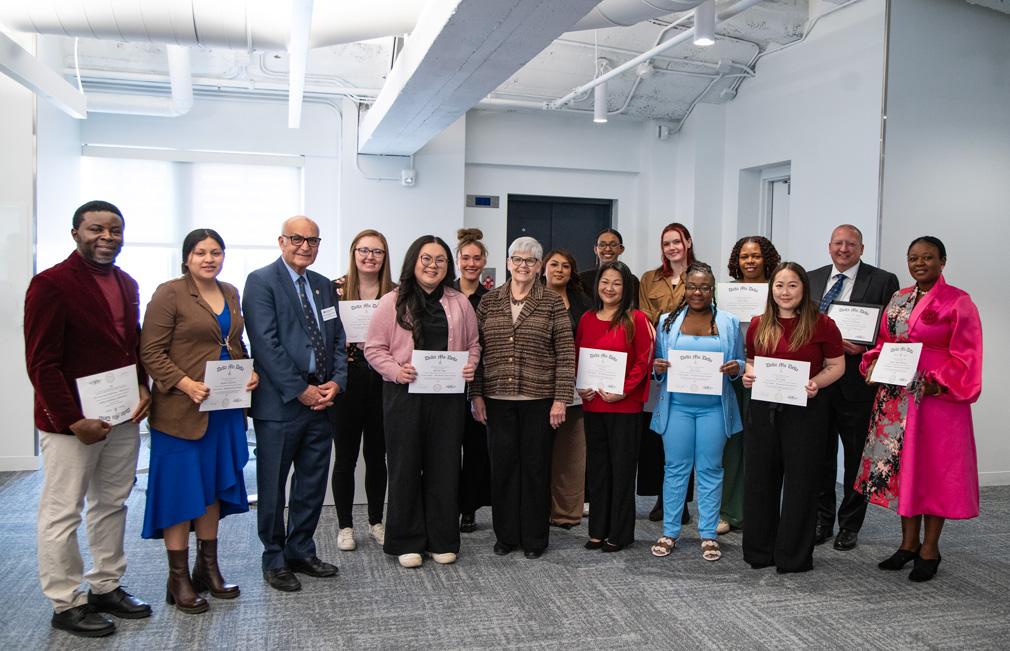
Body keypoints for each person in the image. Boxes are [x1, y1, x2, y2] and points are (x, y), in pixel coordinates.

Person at [24, 200, 152, 637]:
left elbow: (130, 345)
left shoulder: (127, 282)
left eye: (115, 230)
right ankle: (66, 602)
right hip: (72, 425)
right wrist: (72, 420)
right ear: (76, 232)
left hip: (121, 417)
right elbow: (41, 362)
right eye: (97, 228)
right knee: (63, 511)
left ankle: (105, 585)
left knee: (112, 502)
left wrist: (143, 387)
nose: (107, 237)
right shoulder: (51, 284)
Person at [140, 228, 257, 613]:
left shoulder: (230, 292)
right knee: (180, 493)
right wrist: (184, 383)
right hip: (181, 413)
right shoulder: (170, 293)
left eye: (216, 252)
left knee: (212, 490)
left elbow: (235, 343)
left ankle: (207, 568)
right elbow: (150, 352)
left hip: (223, 409)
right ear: (187, 257)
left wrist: (248, 372)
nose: (209, 259)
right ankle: (178, 579)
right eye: (201, 252)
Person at [856, 236, 982, 582]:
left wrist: (939, 383)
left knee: (932, 471)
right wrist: (872, 364)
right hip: (896, 398)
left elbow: (968, 354)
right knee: (903, 470)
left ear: (943, 262)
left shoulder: (958, 301)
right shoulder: (898, 298)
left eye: (928, 257)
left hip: (937, 400)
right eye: (914, 258)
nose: (920, 263)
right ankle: (907, 544)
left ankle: (930, 549)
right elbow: (884, 342)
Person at [242, 216, 347, 592]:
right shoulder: (261, 281)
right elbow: (265, 343)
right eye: (297, 239)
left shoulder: (323, 285)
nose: (305, 246)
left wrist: (337, 381)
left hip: (322, 401)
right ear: (281, 241)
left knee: (312, 482)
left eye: (313, 240)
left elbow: (337, 338)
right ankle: (274, 557)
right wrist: (299, 389)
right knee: (273, 484)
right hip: (280, 403)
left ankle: (301, 549)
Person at [364, 235, 480, 568]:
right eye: (426, 258)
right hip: (404, 394)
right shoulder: (392, 300)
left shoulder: (460, 302)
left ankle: (442, 539)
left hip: (447, 398)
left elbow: (473, 344)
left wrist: (470, 364)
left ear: (448, 266)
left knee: (444, 465)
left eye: (440, 260)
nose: (433, 265)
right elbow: (374, 348)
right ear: (414, 261)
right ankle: (406, 541)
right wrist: (395, 370)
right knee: (405, 465)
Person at [471, 236, 576, 559]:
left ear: (539, 266)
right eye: (517, 259)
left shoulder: (552, 303)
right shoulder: (489, 301)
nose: (523, 265)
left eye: (530, 260)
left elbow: (566, 354)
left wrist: (561, 399)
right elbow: (476, 351)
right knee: (502, 469)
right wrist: (476, 394)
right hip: (497, 399)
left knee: (535, 470)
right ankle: (506, 536)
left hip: (539, 401)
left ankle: (534, 538)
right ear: (507, 263)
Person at [741, 262, 845, 574]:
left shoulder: (823, 324)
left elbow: (836, 365)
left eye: (792, 285)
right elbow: (751, 360)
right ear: (771, 289)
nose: (785, 292)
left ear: (804, 289)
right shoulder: (758, 324)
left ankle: (793, 556)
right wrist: (749, 375)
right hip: (763, 411)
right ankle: (760, 551)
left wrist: (817, 383)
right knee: (760, 481)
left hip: (805, 412)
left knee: (801, 483)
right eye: (779, 285)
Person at [808, 225, 899, 551]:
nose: (843, 249)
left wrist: (866, 346)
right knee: (820, 455)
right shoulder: (812, 278)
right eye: (838, 243)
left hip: (857, 384)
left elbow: (892, 329)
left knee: (855, 458)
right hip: (818, 381)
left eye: (851, 244)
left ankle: (849, 525)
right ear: (829, 246)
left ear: (861, 248)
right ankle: (822, 520)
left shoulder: (883, 280)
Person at [649, 262, 744, 562]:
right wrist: (658, 368)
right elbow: (658, 365)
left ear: (712, 289)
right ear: (685, 288)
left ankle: (708, 534)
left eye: (704, 287)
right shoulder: (667, 321)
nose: (698, 292)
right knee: (675, 469)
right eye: (692, 286)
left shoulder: (729, 322)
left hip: (714, 410)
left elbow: (740, 361)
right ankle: (669, 531)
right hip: (676, 408)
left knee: (710, 470)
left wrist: (736, 368)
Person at [576, 261, 653, 552]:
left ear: (626, 288)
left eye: (617, 283)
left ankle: (619, 533)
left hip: (624, 408)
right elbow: (578, 355)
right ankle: (597, 529)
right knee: (597, 471)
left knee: (622, 471)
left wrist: (624, 390)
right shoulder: (586, 319)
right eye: (605, 282)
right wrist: (579, 384)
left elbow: (644, 361)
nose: (609, 288)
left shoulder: (637, 319)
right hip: (594, 405)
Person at [331, 230, 396, 553]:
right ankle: (345, 526)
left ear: (385, 256)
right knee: (345, 456)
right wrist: (336, 346)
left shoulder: (395, 292)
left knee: (377, 456)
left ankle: (375, 521)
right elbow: (323, 334)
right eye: (364, 250)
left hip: (383, 382)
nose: (370, 257)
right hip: (347, 381)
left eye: (377, 251)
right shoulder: (334, 289)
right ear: (354, 252)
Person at [719, 236, 782, 535]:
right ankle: (729, 511)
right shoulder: (724, 293)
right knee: (732, 444)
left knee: (764, 446)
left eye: (756, 255)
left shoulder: (778, 290)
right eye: (744, 256)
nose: (750, 261)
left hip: (768, 375)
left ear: (766, 258)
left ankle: (760, 513)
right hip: (732, 375)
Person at [637, 223, 696, 523]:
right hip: (657, 361)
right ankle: (661, 497)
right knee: (656, 431)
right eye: (666, 243)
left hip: (690, 362)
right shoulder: (649, 278)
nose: (672, 247)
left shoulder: (700, 275)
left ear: (688, 242)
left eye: (677, 241)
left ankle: (680, 501)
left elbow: (703, 313)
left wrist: (666, 320)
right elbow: (644, 317)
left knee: (683, 435)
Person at [543, 248, 594, 529]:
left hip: (575, 388)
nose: (559, 270)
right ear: (543, 268)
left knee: (571, 453)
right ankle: (540, 508)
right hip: (539, 387)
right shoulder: (532, 297)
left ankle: (566, 513)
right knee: (540, 451)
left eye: (565, 266)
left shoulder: (583, 302)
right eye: (554, 264)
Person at [454, 228, 492, 533]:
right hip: (445, 384)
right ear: (457, 260)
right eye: (465, 258)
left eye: (476, 258)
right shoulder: (443, 293)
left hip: (480, 383)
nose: (471, 263)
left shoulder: (491, 299)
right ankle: (445, 506)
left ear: (484, 262)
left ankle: (468, 509)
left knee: (476, 450)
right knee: (446, 450)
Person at [578, 227, 639, 307]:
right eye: (602, 245)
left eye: (613, 245)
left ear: (621, 249)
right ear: (595, 250)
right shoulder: (582, 279)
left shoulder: (631, 280)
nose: (607, 249)